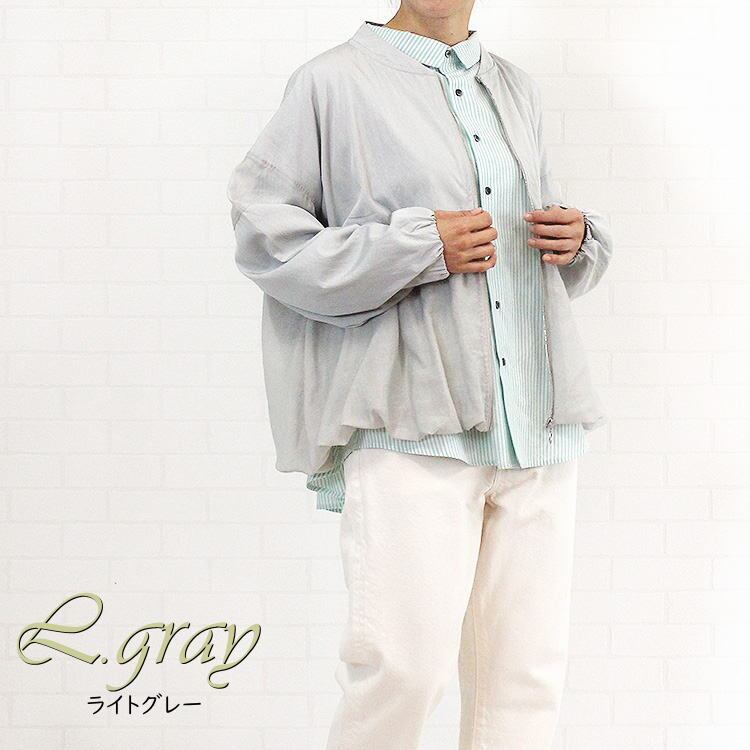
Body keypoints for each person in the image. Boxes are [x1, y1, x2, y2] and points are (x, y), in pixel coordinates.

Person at [227, 2, 613, 748]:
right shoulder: (332, 83)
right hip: (410, 424)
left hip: (537, 423)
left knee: (524, 679)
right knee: (402, 672)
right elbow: (265, 238)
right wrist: (414, 246)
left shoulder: (514, 87)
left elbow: (531, 254)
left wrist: (574, 239)